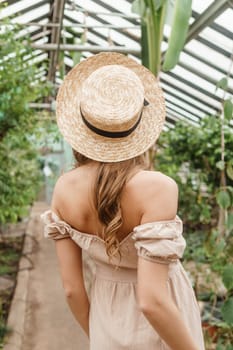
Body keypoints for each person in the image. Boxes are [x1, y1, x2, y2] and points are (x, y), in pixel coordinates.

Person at [41, 52, 205, 350]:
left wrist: (100, 335)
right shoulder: (158, 188)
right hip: (165, 321)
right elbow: (152, 301)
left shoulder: (64, 189)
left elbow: (71, 289)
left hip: (105, 314)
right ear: (139, 127)